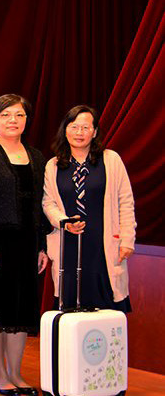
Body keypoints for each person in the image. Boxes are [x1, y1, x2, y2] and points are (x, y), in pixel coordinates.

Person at [0, 94, 48, 395]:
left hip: (28, 242)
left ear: (26, 120)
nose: (12, 120)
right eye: (5, 115)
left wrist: (41, 246)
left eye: (19, 115)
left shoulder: (37, 156)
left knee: (20, 313)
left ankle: (15, 372)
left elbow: (40, 205)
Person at [43, 106, 135, 313]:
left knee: (105, 307)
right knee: (69, 307)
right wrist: (64, 222)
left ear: (94, 132)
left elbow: (126, 201)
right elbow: (48, 203)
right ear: (65, 130)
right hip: (68, 244)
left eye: (85, 127)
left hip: (103, 245)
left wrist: (127, 239)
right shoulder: (53, 165)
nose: (79, 132)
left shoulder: (111, 159)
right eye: (74, 127)